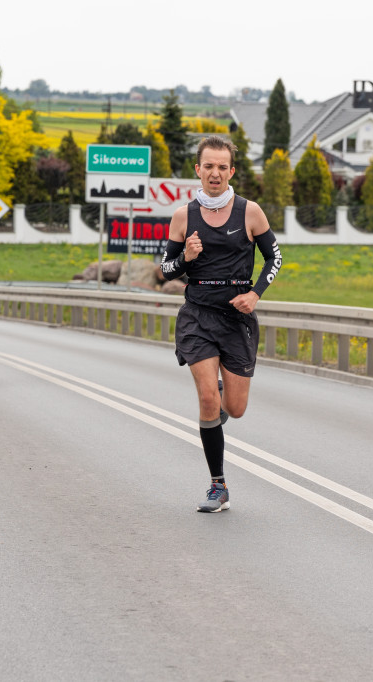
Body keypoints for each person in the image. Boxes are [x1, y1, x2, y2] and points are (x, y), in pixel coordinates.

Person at [160, 135, 282, 513]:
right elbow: (165, 270)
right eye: (208, 166)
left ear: (232, 171)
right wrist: (186, 258)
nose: (214, 173)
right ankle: (218, 486)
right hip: (197, 315)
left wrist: (256, 294)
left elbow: (274, 258)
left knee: (236, 407)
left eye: (221, 167)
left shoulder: (250, 212)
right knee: (208, 400)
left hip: (236, 317)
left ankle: (218, 398)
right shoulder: (184, 216)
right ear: (197, 170)